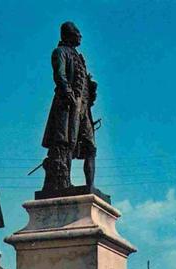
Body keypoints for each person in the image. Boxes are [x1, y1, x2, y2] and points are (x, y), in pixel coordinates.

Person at [41, 22, 97, 191]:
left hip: (83, 108)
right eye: (77, 32)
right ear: (68, 34)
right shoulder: (60, 52)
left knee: (90, 146)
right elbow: (60, 75)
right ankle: (64, 183)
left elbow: (82, 80)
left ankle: (90, 187)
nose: (80, 35)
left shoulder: (79, 57)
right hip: (68, 106)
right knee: (67, 143)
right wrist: (68, 92)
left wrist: (91, 88)